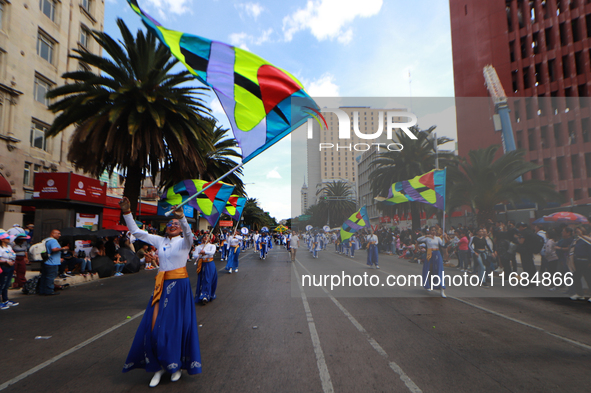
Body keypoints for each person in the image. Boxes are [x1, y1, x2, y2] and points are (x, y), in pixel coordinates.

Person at [119, 197, 201, 387]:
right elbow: (136, 232)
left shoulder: (184, 242)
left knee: (176, 328)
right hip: (161, 288)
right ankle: (157, 367)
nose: (172, 225)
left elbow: (189, 235)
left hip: (179, 289)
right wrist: (127, 212)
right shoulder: (159, 240)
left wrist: (183, 219)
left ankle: (176, 366)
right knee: (153, 327)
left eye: (176, 224)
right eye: (170, 223)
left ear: (180, 227)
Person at [418, 227, 447, 297]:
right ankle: (427, 285)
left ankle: (442, 288)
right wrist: (427, 235)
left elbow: (443, 245)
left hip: (437, 253)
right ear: (430, 231)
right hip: (429, 253)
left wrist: (445, 238)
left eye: (434, 230)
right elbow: (418, 239)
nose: (433, 232)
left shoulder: (438, 238)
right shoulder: (427, 238)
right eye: (432, 230)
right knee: (427, 268)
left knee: (439, 269)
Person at [39, 229, 68, 296]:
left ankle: (42, 290)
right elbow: (54, 249)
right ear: (53, 234)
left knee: (44, 276)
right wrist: (63, 248)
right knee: (50, 277)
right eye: (58, 233)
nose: (59, 235)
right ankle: (49, 290)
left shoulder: (46, 240)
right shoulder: (53, 241)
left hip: (46, 261)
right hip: (52, 262)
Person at [568, 226, 591, 301]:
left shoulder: (586, 240)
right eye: (575, 232)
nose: (576, 233)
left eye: (578, 231)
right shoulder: (575, 240)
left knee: (588, 278)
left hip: (585, 261)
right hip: (576, 261)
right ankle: (579, 294)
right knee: (576, 277)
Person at [194, 234, 217, 304]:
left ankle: (208, 294)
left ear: (210, 239)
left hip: (210, 263)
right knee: (203, 278)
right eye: (204, 236)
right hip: (202, 264)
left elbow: (212, 252)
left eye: (207, 236)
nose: (205, 237)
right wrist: (200, 254)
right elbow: (194, 255)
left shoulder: (212, 246)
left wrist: (204, 252)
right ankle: (203, 295)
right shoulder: (198, 247)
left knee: (210, 279)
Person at [0, 230, 18, 309]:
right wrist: (6, 261)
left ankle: (5, 300)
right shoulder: (0, 248)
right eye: (7, 238)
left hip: (10, 267)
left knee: (7, 284)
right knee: (1, 284)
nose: (9, 239)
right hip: (3, 267)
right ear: (2, 239)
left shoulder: (9, 247)